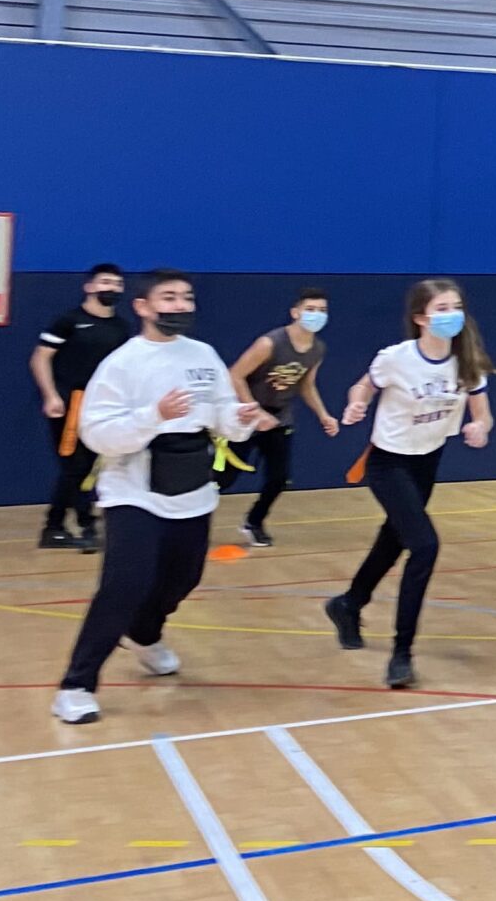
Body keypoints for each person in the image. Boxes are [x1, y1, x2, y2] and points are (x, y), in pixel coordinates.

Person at [50, 270, 261, 723]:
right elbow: (97, 433)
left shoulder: (203, 355)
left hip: (191, 487)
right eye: (168, 297)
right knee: (124, 586)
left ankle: (145, 635)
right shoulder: (122, 364)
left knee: (184, 577)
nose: (180, 305)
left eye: (186, 297)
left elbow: (220, 412)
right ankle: (76, 685)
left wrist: (239, 417)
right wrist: (154, 415)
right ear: (142, 307)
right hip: (134, 492)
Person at [326, 279, 494, 688]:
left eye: (456, 307)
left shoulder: (467, 360)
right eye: (441, 308)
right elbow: (364, 385)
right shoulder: (396, 358)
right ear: (421, 318)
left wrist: (481, 427)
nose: (452, 315)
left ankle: (348, 604)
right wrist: (357, 402)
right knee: (425, 545)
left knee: (394, 540)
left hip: (427, 462)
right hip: (388, 463)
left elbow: (483, 412)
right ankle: (402, 653)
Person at [223, 287, 339, 546]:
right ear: (295, 312)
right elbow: (235, 375)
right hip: (246, 416)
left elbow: (306, 384)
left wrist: (323, 415)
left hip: (279, 419)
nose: (317, 314)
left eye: (322, 310)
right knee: (223, 478)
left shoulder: (317, 349)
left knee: (279, 478)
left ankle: (253, 522)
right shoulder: (270, 343)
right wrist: (255, 411)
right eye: (310, 309)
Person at [30, 261, 130, 551]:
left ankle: (69, 525)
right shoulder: (69, 321)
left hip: (105, 406)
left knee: (91, 468)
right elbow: (40, 358)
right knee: (74, 468)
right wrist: (51, 396)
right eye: (105, 282)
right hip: (71, 404)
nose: (112, 288)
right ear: (89, 286)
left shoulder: (121, 328)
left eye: (117, 284)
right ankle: (71, 526)